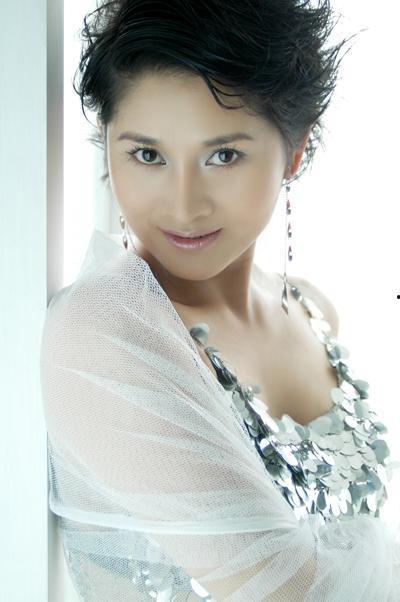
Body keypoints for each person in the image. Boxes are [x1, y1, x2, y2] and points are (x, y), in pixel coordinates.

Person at [40, 1, 400, 599]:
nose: (184, 205)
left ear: (295, 150)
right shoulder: (104, 333)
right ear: (107, 144)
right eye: (147, 155)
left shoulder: (312, 311)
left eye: (223, 155)